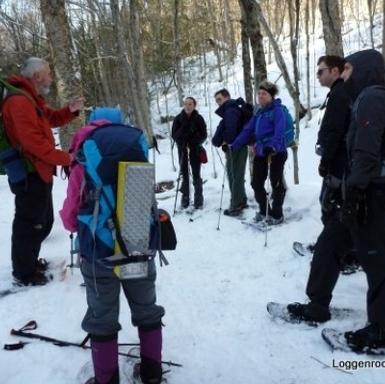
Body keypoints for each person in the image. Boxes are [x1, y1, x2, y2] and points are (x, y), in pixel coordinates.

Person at [60, 108, 165, 384]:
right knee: (146, 309)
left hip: (98, 252)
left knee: (102, 316)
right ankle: (153, 375)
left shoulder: (84, 157)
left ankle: (106, 380)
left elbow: (70, 215)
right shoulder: (136, 150)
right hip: (137, 243)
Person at [1, 57, 84, 286]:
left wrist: (70, 110)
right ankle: (24, 273)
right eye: (48, 74)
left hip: (39, 171)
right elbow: (33, 143)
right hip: (28, 172)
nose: (51, 78)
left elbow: (51, 118)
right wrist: (65, 158)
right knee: (30, 224)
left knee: (43, 221)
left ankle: (30, 262)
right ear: (37, 76)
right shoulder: (19, 102)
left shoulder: (31, 99)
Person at [337, 48, 385, 351]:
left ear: (364, 69)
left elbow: (366, 151)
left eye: (347, 70)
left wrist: (353, 192)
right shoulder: (372, 97)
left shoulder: (371, 97)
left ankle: (380, 331)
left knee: (377, 259)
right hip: (376, 186)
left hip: (376, 190)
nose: (343, 76)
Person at [230, 81, 287, 225]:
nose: (260, 96)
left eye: (264, 94)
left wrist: (273, 146)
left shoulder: (277, 110)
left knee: (276, 183)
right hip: (261, 151)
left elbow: (280, 130)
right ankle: (264, 210)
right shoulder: (258, 112)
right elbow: (248, 130)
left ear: (271, 96)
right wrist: (235, 145)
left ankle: (277, 214)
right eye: (259, 93)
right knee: (256, 183)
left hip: (276, 152)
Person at [212, 89, 248, 216]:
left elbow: (231, 129)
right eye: (217, 101)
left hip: (236, 146)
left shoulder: (231, 110)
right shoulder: (231, 109)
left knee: (234, 175)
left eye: (220, 99)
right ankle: (241, 200)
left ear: (228, 97)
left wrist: (226, 141)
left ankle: (236, 204)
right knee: (236, 174)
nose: (218, 103)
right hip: (238, 146)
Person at [171, 96, 207, 209]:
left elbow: (203, 134)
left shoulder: (199, 118)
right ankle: (185, 198)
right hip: (182, 149)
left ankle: (198, 199)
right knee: (185, 175)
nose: (187, 106)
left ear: (194, 105)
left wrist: (194, 142)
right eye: (186, 104)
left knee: (196, 174)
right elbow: (174, 135)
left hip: (195, 149)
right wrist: (183, 134)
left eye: (190, 104)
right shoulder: (178, 119)